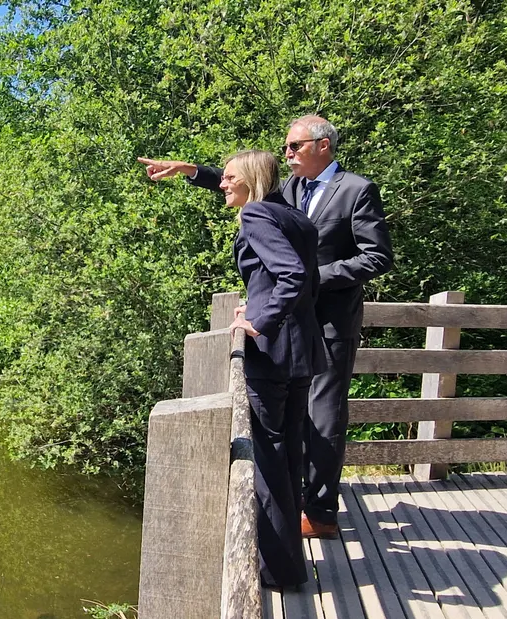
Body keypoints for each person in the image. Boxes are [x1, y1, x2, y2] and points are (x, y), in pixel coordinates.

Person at [138, 115, 394, 539]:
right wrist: (190, 171)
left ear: (323, 145)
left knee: (324, 416)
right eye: (286, 147)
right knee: (291, 420)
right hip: (289, 322)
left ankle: (321, 513)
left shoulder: (355, 190)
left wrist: (310, 279)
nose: (287, 153)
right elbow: (246, 183)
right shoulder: (290, 190)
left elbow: (377, 257)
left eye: (295, 146)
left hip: (330, 320)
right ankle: (290, 504)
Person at [210, 149, 326, 588]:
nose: (222, 184)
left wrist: (260, 320)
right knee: (289, 453)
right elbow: (300, 280)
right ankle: (289, 566)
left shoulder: (256, 214)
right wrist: (256, 303)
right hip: (300, 350)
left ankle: (277, 571)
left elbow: (291, 275)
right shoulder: (293, 215)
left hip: (273, 352)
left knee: (270, 459)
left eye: (229, 177)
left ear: (250, 179)